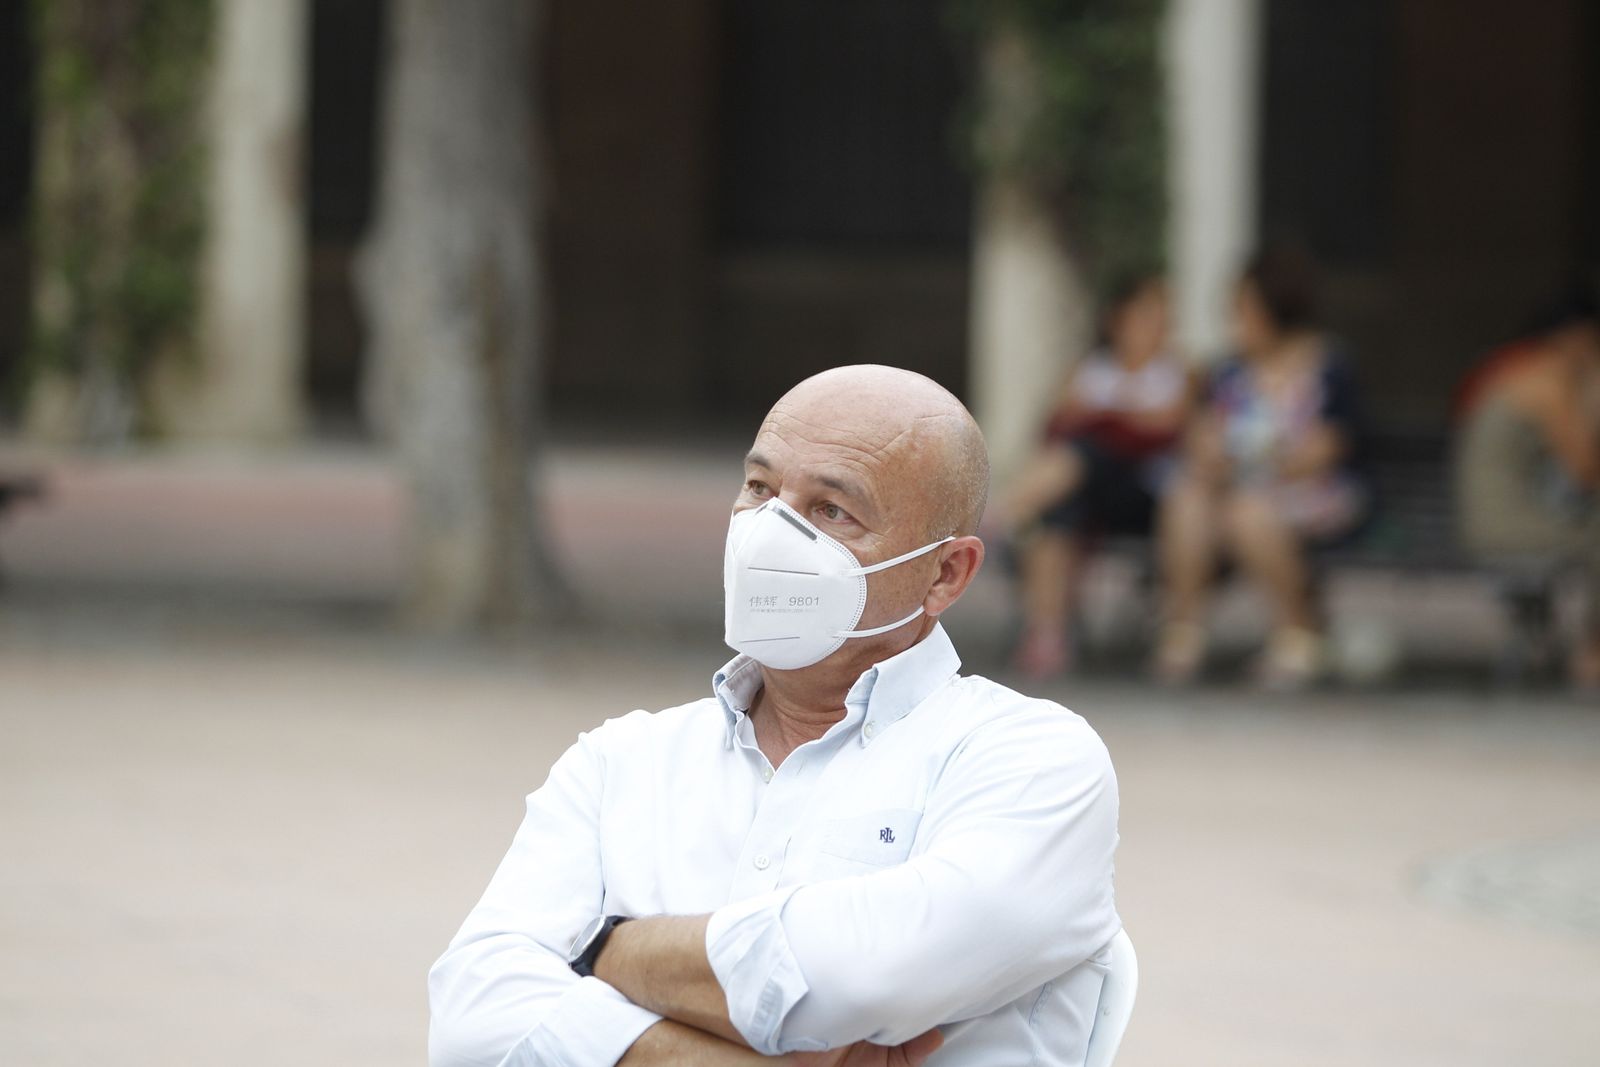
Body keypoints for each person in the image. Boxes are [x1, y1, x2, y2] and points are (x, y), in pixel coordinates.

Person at [428, 366, 1121, 1067]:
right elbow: (471, 1018)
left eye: (832, 511)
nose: (770, 532)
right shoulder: (622, 762)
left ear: (945, 574)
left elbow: (867, 974)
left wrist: (604, 949)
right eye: (760, 489)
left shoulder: (1029, 759)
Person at [1154, 245, 1368, 688]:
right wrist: (1214, 455)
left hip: (1312, 491)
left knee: (1248, 512)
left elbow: (1329, 447)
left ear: (1276, 309)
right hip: (1235, 487)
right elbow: (1202, 435)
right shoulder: (1228, 370)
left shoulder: (1328, 364)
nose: (1236, 323)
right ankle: (1183, 631)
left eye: (1245, 311)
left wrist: (1258, 463)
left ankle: (1298, 635)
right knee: (1188, 499)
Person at [1006, 274, 1191, 677]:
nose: (1157, 327)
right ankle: (1048, 632)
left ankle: (1002, 512)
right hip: (1088, 490)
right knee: (1056, 512)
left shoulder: (1177, 372)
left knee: (1084, 455)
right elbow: (1055, 425)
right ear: (1118, 320)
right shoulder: (1092, 368)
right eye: (1146, 316)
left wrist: (1106, 418)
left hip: (1146, 492)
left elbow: (1168, 429)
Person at [1454, 287, 1600, 690]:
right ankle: (1594, 653)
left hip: (1495, 520)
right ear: (1576, 337)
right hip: (1506, 526)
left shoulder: (1520, 369)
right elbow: (1586, 469)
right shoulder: (1545, 382)